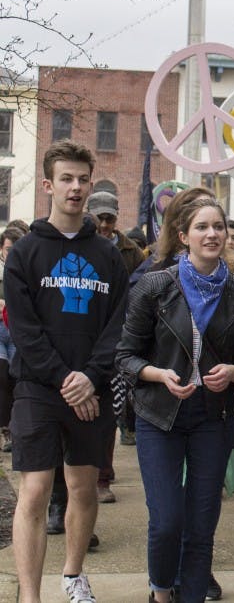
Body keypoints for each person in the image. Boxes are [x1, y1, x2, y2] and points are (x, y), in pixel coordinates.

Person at [116, 196, 234, 603]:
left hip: (213, 417)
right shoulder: (155, 286)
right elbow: (124, 356)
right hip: (159, 415)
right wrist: (157, 374)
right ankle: (161, 593)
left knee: (201, 524)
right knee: (166, 521)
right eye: (201, 227)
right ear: (183, 237)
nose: (212, 234)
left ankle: (193, 595)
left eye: (218, 226)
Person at [6, 140, 129, 603]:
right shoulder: (25, 254)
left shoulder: (108, 256)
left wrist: (90, 378)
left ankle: (74, 575)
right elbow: (24, 329)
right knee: (35, 492)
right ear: (48, 185)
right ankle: (31, 595)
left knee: (82, 486)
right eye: (66, 179)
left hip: (90, 390)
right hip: (39, 389)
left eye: (82, 179)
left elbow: (118, 325)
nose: (75, 188)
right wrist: (65, 380)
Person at [84, 190, 145, 504]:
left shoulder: (131, 251)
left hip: (116, 338)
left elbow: (139, 293)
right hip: (80, 335)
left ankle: (102, 477)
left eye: (110, 218)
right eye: (100, 218)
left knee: (109, 409)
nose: (106, 225)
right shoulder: (76, 244)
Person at [0, 224, 25, 453]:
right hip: (0, 330)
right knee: (2, 378)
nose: (11, 253)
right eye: (8, 249)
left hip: (17, 333)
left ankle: (14, 428)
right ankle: (6, 430)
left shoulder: (26, 269)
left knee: (15, 378)